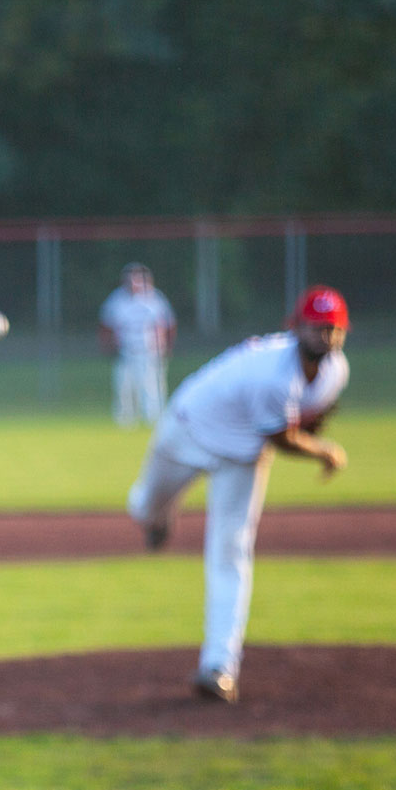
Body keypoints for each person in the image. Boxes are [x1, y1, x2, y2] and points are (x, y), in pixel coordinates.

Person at [125, 286, 352, 703]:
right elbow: (282, 437)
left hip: (242, 455)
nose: (325, 336)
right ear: (294, 327)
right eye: (316, 327)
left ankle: (220, 667)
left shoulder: (337, 372)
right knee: (144, 506)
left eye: (333, 329)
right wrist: (324, 452)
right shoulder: (273, 375)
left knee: (231, 553)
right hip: (189, 429)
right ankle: (156, 519)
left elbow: (305, 415)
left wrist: (309, 426)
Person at [99, 262, 177, 428]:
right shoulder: (117, 300)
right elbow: (107, 324)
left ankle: (153, 419)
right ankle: (125, 421)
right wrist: (108, 346)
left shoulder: (155, 299)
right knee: (124, 388)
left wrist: (167, 346)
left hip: (150, 352)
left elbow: (168, 323)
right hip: (126, 352)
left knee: (151, 387)